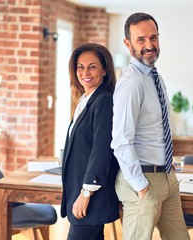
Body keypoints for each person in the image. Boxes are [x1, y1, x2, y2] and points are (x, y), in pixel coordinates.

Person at [111, 13, 190, 240]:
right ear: (128, 44)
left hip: (166, 177)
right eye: (141, 39)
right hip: (143, 180)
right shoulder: (132, 83)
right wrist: (142, 188)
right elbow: (121, 141)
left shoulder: (154, 77)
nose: (149, 45)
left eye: (153, 38)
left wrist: (169, 174)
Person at [61, 43, 120, 240]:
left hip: (91, 196)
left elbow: (101, 150)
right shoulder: (86, 99)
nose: (85, 72)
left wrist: (85, 194)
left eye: (92, 66)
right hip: (83, 192)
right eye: (80, 66)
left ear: (104, 70)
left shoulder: (104, 100)